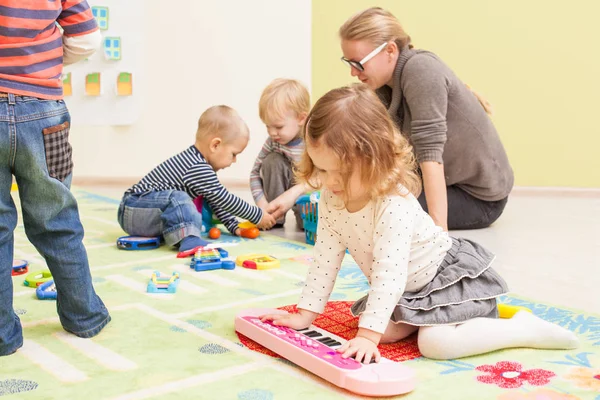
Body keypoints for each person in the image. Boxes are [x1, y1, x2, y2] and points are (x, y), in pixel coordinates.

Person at [260, 84, 578, 363]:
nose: (326, 182)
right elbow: (324, 260)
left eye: (336, 172)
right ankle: (424, 319)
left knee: (435, 344)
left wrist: (367, 338)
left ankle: (521, 329)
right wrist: (305, 314)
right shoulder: (331, 196)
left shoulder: (392, 202)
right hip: (407, 292)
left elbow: (390, 272)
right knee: (376, 328)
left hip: (446, 280)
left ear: (372, 161)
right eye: (320, 169)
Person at [0, 0, 111, 356]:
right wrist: (43, 66)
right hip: (43, 109)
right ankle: (84, 316)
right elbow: (87, 39)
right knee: (57, 220)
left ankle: (3, 336)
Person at [338, 7, 514, 231]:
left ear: (390, 50)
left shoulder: (421, 70)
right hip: (449, 183)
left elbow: (430, 155)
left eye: (359, 63)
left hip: (478, 199)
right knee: (358, 198)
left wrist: (438, 236)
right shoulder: (384, 86)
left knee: (377, 207)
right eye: (349, 63)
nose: (353, 72)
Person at [118, 106, 276, 253]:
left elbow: (215, 199)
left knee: (196, 196)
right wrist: (257, 215)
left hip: (144, 213)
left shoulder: (201, 167)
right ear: (215, 145)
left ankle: (182, 234)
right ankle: (189, 239)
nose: (234, 161)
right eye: (233, 154)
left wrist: (233, 225)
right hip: (134, 207)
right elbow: (224, 198)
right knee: (179, 197)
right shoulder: (196, 166)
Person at [250, 78, 310, 228]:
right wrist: (262, 204)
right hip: (284, 189)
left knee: (306, 225)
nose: (272, 133)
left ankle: (303, 218)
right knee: (272, 161)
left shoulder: (313, 139)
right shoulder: (273, 141)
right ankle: (275, 216)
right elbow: (255, 173)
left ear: (301, 118)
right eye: (267, 127)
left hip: (307, 189)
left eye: (278, 127)